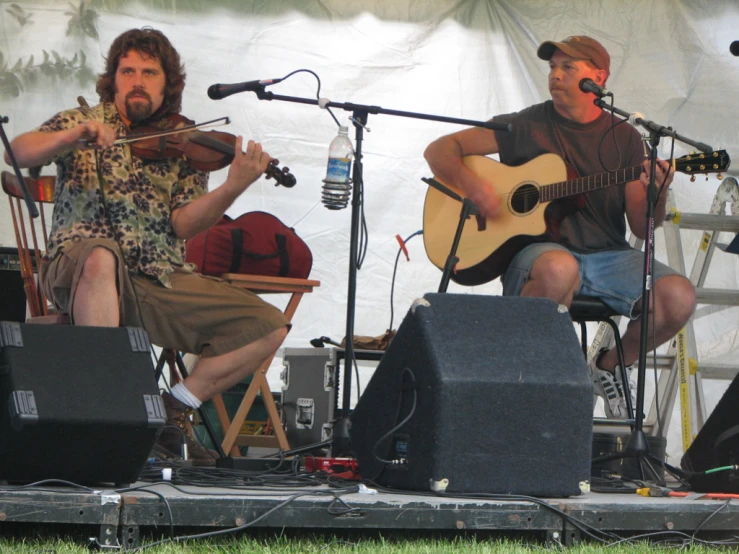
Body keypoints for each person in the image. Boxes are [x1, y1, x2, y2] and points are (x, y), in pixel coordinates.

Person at [3, 28, 290, 463]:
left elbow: (183, 222)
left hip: (156, 275)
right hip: (78, 264)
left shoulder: (183, 141)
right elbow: (16, 153)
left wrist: (233, 187)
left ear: (166, 82)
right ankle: (109, 414)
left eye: (149, 72)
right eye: (128, 70)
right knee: (101, 255)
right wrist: (72, 135)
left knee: (268, 326)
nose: (137, 80)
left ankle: (171, 409)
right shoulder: (82, 120)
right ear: (113, 79)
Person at [424, 35, 696, 418]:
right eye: (553, 67)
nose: (555, 74)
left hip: (608, 256)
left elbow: (642, 224)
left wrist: (659, 194)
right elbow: (440, 149)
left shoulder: (627, 139)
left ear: (597, 78)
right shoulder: (524, 124)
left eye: (568, 67)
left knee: (679, 296)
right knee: (559, 268)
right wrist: (476, 188)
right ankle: (528, 379)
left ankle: (609, 366)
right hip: (540, 253)